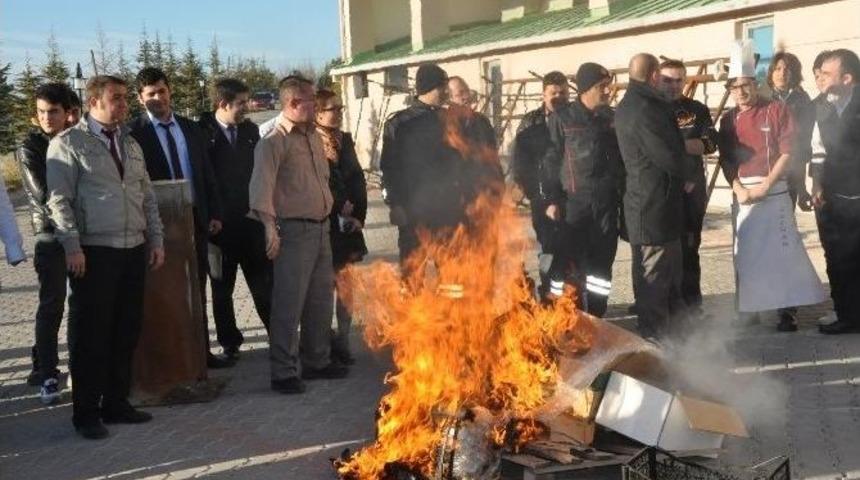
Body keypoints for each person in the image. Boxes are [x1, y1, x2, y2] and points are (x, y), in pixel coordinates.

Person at [46, 75, 165, 439]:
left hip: (132, 248)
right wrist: (72, 247)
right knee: (91, 335)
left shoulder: (129, 143)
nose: (124, 105)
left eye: (125, 99)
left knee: (125, 329)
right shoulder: (68, 144)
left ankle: (116, 403)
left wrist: (155, 238)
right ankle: (86, 413)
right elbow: (59, 201)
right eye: (116, 98)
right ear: (93, 101)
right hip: (94, 252)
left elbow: (147, 196)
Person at [249, 75, 346, 395]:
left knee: (320, 300)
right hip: (292, 231)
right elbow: (260, 188)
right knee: (289, 304)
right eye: (312, 104)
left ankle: (317, 361)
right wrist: (268, 229)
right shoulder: (272, 141)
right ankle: (284, 372)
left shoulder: (313, 137)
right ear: (293, 103)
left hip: (321, 228)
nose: (317, 109)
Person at [128, 67, 230, 369]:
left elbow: (205, 172)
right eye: (150, 94)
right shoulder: (134, 135)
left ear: (169, 91)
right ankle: (171, 356)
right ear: (140, 98)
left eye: (161, 91)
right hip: (159, 225)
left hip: (195, 219)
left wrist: (213, 213)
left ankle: (201, 352)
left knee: (197, 287)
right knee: (166, 289)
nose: (157, 98)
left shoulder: (189, 128)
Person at [718, 47, 825, 332]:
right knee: (746, 254)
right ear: (730, 89)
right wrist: (738, 188)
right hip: (744, 195)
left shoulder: (777, 109)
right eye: (735, 87)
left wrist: (767, 184)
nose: (741, 92)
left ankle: (786, 312)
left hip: (774, 190)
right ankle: (749, 309)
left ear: (756, 84)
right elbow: (727, 158)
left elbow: (788, 151)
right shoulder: (728, 119)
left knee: (782, 254)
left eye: (746, 85)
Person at [381, 63, 503, 282]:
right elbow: (389, 169)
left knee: (451, 278)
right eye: (443, 86)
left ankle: (450, 317)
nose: (447, 92)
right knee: (412, 277)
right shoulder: (400, 124)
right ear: (429, 88)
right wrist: (395, 204)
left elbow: (467, 163)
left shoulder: (453, 121)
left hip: (449, 214)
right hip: (413, 216)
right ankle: (414, 316)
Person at [540, 63, 624, 317]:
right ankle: (566, 317)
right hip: (574, 206)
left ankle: (597, 317)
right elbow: (550, 161)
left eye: (608, 85)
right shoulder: (562, 118)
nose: (608, 91)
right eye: (602, 86)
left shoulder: (611, 118)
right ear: (586, 89)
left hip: (606, 205)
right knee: (569, 266)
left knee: (602, 267)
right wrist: (553, 199)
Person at [615, 53, 689, 339]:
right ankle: (653, 341)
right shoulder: (644, 108)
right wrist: (687, 166)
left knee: (662, 279)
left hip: (655, 206)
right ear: (654, 76)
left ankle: (667, 338)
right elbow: (667, 155)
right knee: (653, 281)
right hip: (651, 207)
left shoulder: (634, 104)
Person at [198, 78, 273, 361]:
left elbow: (261, 174)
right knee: (222, 290)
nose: (247, 107)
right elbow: (203, 180)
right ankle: (230, 343)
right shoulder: (203, 134)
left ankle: (277, 336)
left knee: (264, 285)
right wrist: (210, 217)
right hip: (219, 229)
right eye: (241, 103)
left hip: (250, 224)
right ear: (223, 104)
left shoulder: (251, 131)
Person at [15, 83, 75, 402]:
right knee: (52, 304)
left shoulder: (75, 140)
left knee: (84, 303)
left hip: (81, 234)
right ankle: (48, 373)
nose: (46, 118)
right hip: (50, 235)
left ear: (68, 113)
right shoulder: (30, 146)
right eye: (41, 112)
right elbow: (43, 194)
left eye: (53, 111)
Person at [656, 59, 719, 313]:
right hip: (658, 193)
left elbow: (711, 144)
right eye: (667, 80)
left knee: (689, 249)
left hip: (691, 193)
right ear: (656, 79)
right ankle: (658, 302)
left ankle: (692, 304)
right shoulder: (649, 109)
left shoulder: (696, 110)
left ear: (685, 81)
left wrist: (672, 145)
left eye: (678, 80)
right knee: (658, 251)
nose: (673, 85)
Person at [315, 88, 368, 365]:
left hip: (348, 226)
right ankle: (324, 342)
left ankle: (344, 340)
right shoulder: (310, 140)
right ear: (318, 112)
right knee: (324, 286)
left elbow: (357, 177)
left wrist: (358, 214)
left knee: (347, 285)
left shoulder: (344, 139)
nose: (338, 114)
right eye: (332, 109)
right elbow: (315, 182)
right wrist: (337, 206)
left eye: (340, 108)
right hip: (324, 224)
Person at [810, 49, 860, 334]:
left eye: (827, 74)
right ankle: (845, 313)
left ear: (848, 78)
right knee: (838, 257)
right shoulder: (819, 107)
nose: (820, 78)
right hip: (833, 198)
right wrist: (816, 184)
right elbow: (818, 151)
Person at [512, 71, 570, 299]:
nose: (559, 97)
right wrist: (538, 197)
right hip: (541, 199)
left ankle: (572, 302)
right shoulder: (530, 123)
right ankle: (549, 298)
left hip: (571, 197)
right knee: (549, 251)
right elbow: (521, 165)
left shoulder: (575, 118)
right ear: (543, 94)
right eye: (553, 93)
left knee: (572, 252)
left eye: (563, 92)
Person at [768, 51, 815, 211]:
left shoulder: (802, 99)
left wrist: (801, 188)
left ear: (794, 73)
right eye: (778, 68)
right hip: (765, 170)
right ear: (771, 72)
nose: (782, 74)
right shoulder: (762, 97)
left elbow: (804, 142)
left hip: (792, 170)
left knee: (785, 221)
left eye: (787, 69)